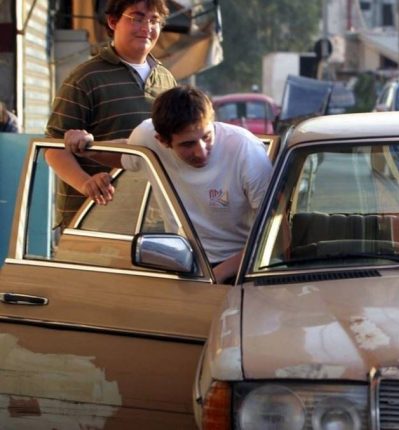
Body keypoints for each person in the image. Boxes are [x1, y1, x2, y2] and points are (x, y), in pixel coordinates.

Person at [65, 85, 273, 284]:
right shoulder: (145, 137)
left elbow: (275, 231)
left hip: (246, 264)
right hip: (182, 261)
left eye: (207, 137)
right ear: (162, 141)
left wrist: (218, 275)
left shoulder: (246, 150)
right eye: (188, 144)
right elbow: (126, 155)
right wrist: (86, 145)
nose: (201, 151)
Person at [45, 0, 176, 230]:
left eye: (154, 20)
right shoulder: (85, 78)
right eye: (137, 18)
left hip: (149, 221)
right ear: (113, 21)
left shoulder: (166, 80)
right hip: (91, 222)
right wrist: (86, 184)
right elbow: (53, 147)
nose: (146, 27)